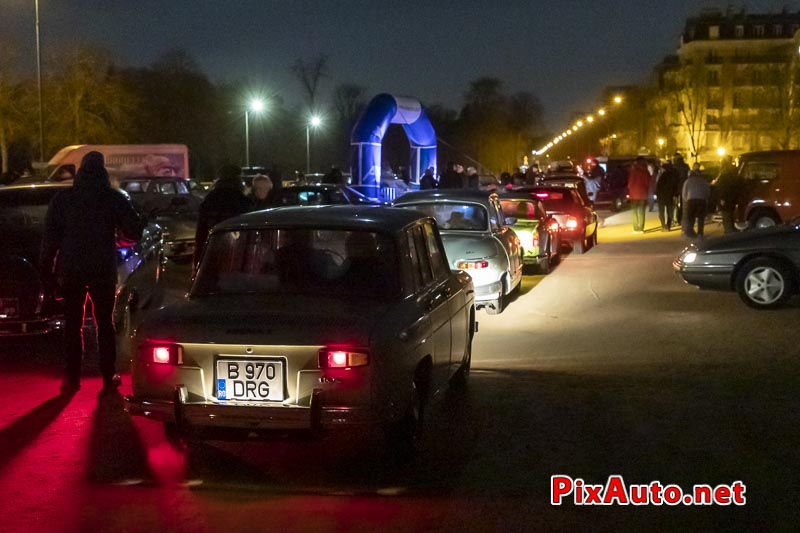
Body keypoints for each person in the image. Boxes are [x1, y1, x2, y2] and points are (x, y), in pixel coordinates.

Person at [40, 151, 145, 395]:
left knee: (72, 324)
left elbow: (50, 238)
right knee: (104, 324)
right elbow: (133, 231)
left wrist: (47, 270)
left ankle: (71, 378)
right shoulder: (112, 198)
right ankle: (108, 376)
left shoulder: (63, 199)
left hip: (72, 269)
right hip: (102, 269)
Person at [194, 164, 252, 270]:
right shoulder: (243, 201)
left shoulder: (210, 199)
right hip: (238, 251)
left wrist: (198, 261)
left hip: (214, 251)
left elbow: (201, 233)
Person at [712, 156, 742, 233]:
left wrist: (721, 198)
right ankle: (732, 231)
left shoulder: (724, 174)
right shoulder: (734, 172)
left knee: (726, 216)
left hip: (725, 198)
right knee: (730, 215)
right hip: (732, 197)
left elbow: (722, 187)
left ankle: (729, 232)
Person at [682, 165, 711, 238]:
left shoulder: (687, 181)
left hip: (691, 200)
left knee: (691, 218)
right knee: (701, 218)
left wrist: (686, 200)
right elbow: (707, 191)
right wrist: (706, 198)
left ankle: (690, 233)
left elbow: (684, 193)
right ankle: (700, 233)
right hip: (701, 200)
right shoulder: (703, 181)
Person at [627, 157, 652, 233]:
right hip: (643, 194)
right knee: (641, 211)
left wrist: (630, 190)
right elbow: (648, 183)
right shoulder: (646, 171)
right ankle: (641, 228)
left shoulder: (634, 171)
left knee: (634, 212)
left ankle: (636, 228)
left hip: (634, 194)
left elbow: (630, 184)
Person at [656, 160, 679, 231]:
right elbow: (675, 186)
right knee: (670, 211)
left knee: (661, 212)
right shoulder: (673, 175)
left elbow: (658, 186)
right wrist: (675, 194)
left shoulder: (662, 176)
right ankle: (668, 225)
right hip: (670, 195)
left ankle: (663, 226)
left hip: (662, 196)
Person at [672, 153, 690, 225]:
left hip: (675, 188)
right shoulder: (686, 166)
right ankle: (682, 218)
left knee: (674, 204)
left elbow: (672, 179)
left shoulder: (674, 167)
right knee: (683, 204)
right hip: (684, 187)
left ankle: (675, 219)